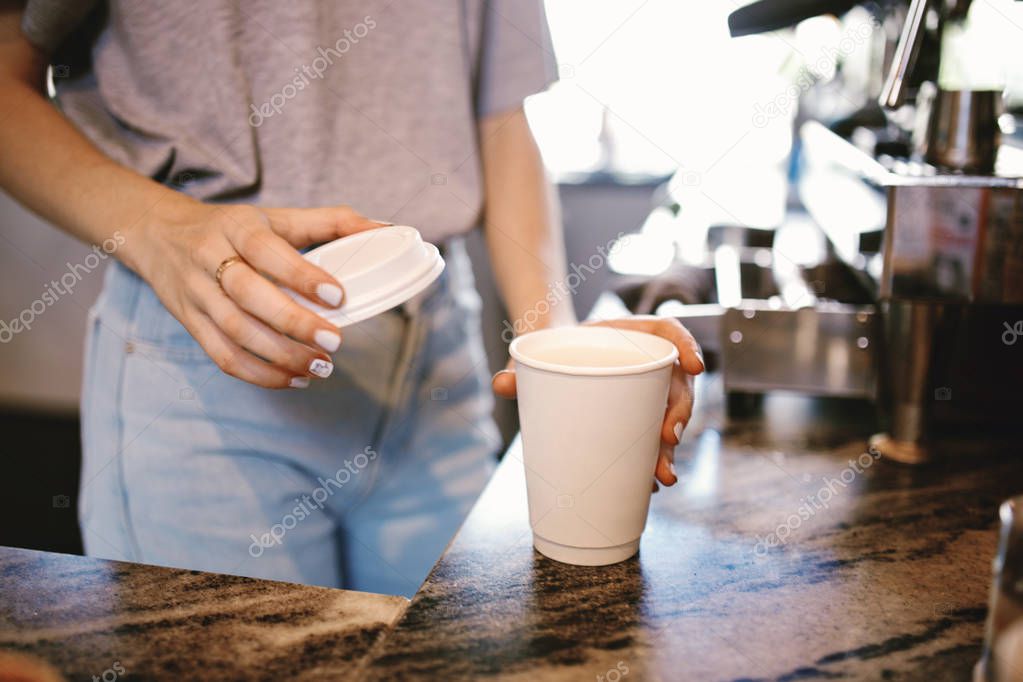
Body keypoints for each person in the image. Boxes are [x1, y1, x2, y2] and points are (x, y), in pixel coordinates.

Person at [0, 0, 703, 597]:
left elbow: (498, 118)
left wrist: (558, 350)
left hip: (436, 374)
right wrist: (160, 229)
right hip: (212, 362)